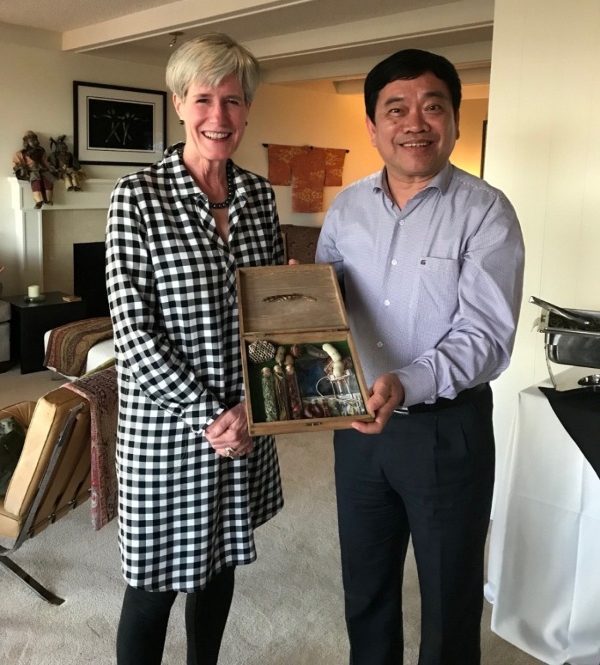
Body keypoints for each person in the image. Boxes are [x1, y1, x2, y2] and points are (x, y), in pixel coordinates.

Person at [316, 48, 525, 665]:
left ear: (455, 120)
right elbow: (326, 305)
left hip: (447, 431)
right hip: (358, 427)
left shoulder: (486, 211)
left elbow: (486, 336)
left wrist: (406, 382)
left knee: (449, 598)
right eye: (396, 109)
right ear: (372, 126)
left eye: (433, 107)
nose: (415, 123)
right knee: (366, 589)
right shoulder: (347, 208)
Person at [106, 33, 285, 665]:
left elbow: (271, 316)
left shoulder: (260, 198)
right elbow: (133, 333)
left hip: (245, 421)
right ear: (179, 103)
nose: (219, 116)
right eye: (204, 99)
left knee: (218, 568)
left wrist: (254, 408)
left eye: (233, 100)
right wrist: (213, 416)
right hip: (169, 430)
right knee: (152, 588)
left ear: (247, 109)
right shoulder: (137, 197)